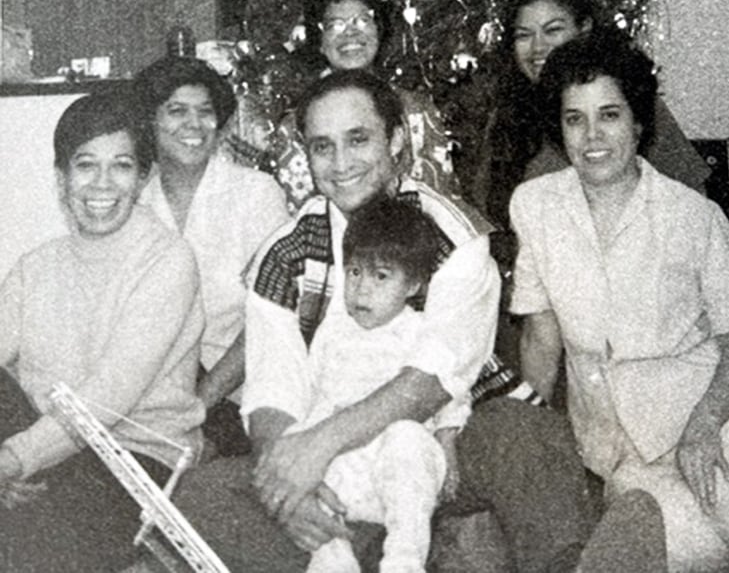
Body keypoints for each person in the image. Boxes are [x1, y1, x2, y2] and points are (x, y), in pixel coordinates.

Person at [169, 68, 600, 573]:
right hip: (341, 471)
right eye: (322, 147)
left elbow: (432, 381)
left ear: (395, 140)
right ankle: (383, 551)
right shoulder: (284, 254)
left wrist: (319, 444)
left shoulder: (453, 236)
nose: (341, 163)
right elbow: (272, 394)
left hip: (450, 442)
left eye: (358, 139)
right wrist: (290, 486)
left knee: (527, 433)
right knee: (200, 496)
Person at [510, 28, 729, 572]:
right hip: (619, 450)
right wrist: (535, 436)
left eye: (610, 114)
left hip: (716, 419)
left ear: (639, 122)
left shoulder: (692, 215)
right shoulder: (535, 206)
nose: (592, 136)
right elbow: (541, 335)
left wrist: (704, 425)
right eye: (575, 118)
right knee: (674, 551)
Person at [0, 88, 205, 573]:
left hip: (131, 460)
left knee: (35, 548)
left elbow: (105, 400)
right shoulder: (36, 266)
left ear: (144, 177)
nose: (102, 185)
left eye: (122, 166)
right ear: (61, 178)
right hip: (38, 444)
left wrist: (10, 462)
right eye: (86, 165)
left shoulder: (168, 260)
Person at [295, 193, 467, 573]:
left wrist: (447, 444)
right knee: (311, 456)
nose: (362, 289)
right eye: (354, 272)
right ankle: (333, 561)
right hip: (345, 474)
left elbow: (451, 396)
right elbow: (313, 390)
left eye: (381, 276)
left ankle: (403, 561)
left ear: (413, 285)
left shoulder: (419, 331)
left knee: (406, 436)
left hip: (400, 475)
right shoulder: (334, 329)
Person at [133, 55, 289, 456]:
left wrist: (198, 404)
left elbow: (269, 318)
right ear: (150, 121)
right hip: (159, 395)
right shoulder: (135, 205)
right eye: (177, 111)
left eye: (205, 113)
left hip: (244, 395)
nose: (194, 125)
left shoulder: (256, 194)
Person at [482, 0, 710, 234]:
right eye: (523, 35)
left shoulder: (629, 105)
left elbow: (693, 209)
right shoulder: (507, 116)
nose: (537, 47)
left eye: (553, 30)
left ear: (584, 30)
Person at [269, 0, 459, 212]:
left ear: (379, 31)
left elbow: (442, 203)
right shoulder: (295, 126)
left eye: (363, 20)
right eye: (335, 25)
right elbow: (299, 214)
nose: (350, 34)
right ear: (320, 42)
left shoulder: (416, 110)